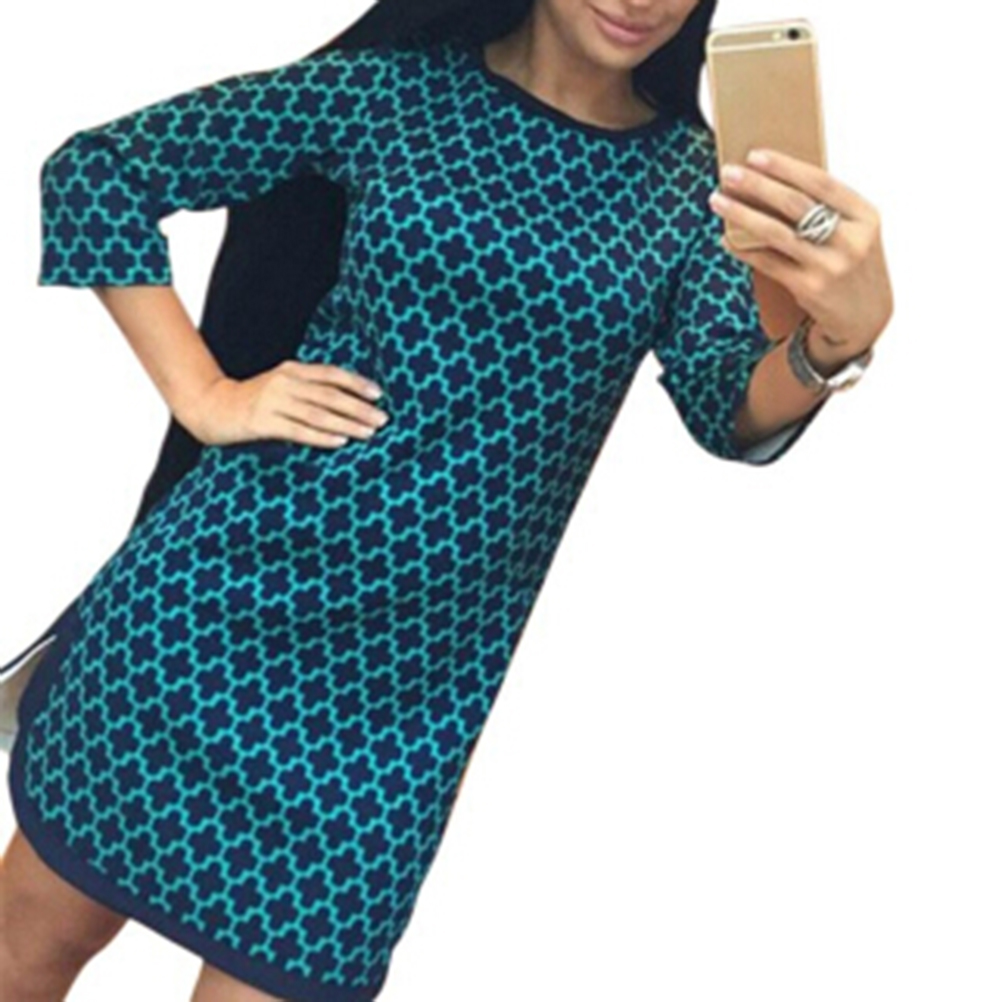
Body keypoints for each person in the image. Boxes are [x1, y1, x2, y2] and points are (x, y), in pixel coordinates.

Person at [0, 0, 893, 999]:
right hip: (203, 625)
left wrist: (834, 344)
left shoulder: (690, 188)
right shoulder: (393, 92)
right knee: (26, 954)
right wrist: (205, 396)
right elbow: (98, 172)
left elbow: (726, 405)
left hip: (398, 720)